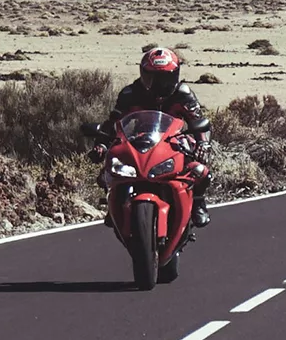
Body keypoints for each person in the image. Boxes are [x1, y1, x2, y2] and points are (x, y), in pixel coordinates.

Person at [91, 47, 214, 227]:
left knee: (201, 171)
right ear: (143, 74)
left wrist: (203, 145)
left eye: (166, 78)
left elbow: (199, 121)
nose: (160, 84)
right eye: (154, 78)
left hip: (175, 142)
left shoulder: (183, 93)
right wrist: (101, 144)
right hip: (139, 141)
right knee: (108, 172)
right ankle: (115, 204)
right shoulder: (130, 94)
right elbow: (113, 122)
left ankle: (197, 201)